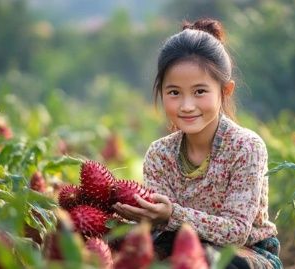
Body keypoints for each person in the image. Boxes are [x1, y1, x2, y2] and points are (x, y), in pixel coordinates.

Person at [113, 18, 282, 269]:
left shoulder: (246, 147)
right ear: (161, 93)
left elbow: (236, 232)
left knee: (211, 260)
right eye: (174, 92)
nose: (187, 105)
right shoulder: (159, 154)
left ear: (225, 91)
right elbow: (161, 231)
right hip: (178, 249)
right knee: (121, 247)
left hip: (243, 254)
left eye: (200, 91)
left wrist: (171, 215)